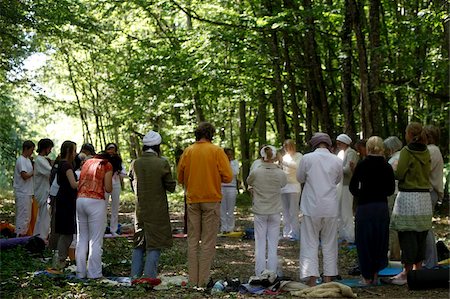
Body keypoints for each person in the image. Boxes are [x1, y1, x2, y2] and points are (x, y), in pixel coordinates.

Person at [177, 122, 232, 287]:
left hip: (192, 200)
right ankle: (203, 281)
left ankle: (193, 281)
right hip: (211, 199)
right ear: (211, 134)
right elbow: (228, 176)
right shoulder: (216, 151)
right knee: (208, 242)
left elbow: (180, 177)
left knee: (193, 241)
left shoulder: (188, 151)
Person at [387, 122, 432, 285]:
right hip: (424, 198)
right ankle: (417, 269)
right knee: (421, 234)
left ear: (409, 134)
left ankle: (406, 272)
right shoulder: (426, 151)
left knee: (407, 235)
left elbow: (400, 174)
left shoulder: (406, 151)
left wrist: (392, 169)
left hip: (408, 197)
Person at [296, 133, 343, 287]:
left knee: (310, 242)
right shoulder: (337, 160)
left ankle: (312, 280)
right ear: (328, 145)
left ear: (314, 144)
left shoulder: (307, 158)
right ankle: (328, 279)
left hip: (311, 206)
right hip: (330, 207)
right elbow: (338, 180)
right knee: (330, 243)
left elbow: (300, 178)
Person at [129, 131, 176, 278]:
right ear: (157, 146)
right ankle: (149, 278)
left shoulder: (135, 163)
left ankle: (134, 277)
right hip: (157, 209)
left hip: (140, 209)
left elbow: (132, 184)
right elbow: (171, 187)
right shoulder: (162, 163)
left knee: (139, 242)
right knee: (154, 243)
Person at [349, 136, 395, 285]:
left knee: (364, 242)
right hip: (381, 207)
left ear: (368, 148)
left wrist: (363, 193)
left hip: (365, 207)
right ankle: (375, 274)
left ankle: (366, 276)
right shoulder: (387, 166)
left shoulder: (362, 165)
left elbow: (352, 187)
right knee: (379, 241)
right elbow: (390, 190)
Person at [247, 145, 287, 275]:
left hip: (260, 211)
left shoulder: (256, 172)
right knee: (273, 244)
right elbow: (284, 183)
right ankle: (272, 272)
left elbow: (249, 181)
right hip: (275, 210)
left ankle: (259, 273)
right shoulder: (280, 173)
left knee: (260, 243)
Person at [75, 151, 113, 278]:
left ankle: (80, 272)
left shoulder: (86, 162)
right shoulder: (106, 165)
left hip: (80, 200)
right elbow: (108, 188)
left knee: (81, 238)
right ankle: (94, 273)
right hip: (96, 201)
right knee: (95, 239)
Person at [423, 125, 444, 269]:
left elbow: (423, 168)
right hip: (429, 191)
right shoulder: (431, 150)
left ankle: (431, 262)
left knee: (425, 226)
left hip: (430, 191)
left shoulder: (432, 150)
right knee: (424, 226)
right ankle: (429, 260)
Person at [54, 141, 78, 268]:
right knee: (66, 232)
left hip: (64, 199)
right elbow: (73, 184)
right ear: (69, 151)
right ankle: (61, 259)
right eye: (74, 151)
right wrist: (86, 181)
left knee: (66, 231)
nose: (75, 153)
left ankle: (62, 258)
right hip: (66, 201)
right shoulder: (66, 166)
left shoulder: (61, 164)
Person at [336, 133, 359, 244]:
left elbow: (348, 170)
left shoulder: (351, 153)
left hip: (347, 185)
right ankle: (342, 235)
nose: (338, 145)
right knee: (340, 211)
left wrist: (336, 167)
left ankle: (350, 237)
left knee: (346, 212)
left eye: (339, 143)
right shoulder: (342, 153)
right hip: (340, 185)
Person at [384, 136, 403, 261]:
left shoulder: (393, 161)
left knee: (393, 225)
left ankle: (394, 254)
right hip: (400, 193)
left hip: (393, 194)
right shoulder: (403, 156)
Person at [279, 139, 303, 240]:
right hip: (284, 187)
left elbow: (297, 167)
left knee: (293, 211)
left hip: (294, 186)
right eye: (285, 147)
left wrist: (283, 162)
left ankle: (294, 233)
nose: (287, 149)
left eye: (289, 147)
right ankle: (286, 232)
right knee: (285, 211)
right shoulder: (285, 157)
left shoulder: (299, 156)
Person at [33, 138, 54, 241]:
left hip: (43, 191)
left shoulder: (42, 160)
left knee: (42, 217)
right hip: (42, 192)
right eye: (50, 148)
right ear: (45, 148)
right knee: (44, 217)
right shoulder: (40, 160)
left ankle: (39, 237)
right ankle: (41, 238)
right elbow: (51, 172)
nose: (50, 150)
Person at [14, 140, 35, 237]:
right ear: (26, 149)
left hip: (28, 192)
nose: (32, 152)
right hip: (22, 192)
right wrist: (34, 172)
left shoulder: (27, 160)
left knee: (27, 216)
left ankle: (23, 235)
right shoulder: (21, 160)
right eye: (31, 150)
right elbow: (24, 175)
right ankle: (19, 235)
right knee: (23, 215)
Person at [104, 143, 126, 236]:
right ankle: (104, 229)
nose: (111, 151)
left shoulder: (118, 161)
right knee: (103, 207)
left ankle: (114, 229)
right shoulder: (103, 161)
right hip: (105, 185)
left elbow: (124, 173)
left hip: (116, 184)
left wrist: (119, 172)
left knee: (115, 207)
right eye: (109, 149)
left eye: (113, 149)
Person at [220, 148, 240, 234]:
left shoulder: (234, 163)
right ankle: (224, 227)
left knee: (230, 209)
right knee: (222, 209)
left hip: (231, 187)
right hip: (221, 187)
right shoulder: (220, 163)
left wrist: (229, 164)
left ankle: (230, 227)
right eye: (227, 154)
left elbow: (235, 172)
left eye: (230, 154)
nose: (229, 156)